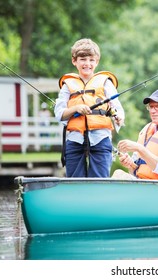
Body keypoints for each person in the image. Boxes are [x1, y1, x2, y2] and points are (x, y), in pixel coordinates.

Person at [54, 38, 125, 178]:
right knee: (75, 182)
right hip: (75, 139)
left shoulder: (105, 82)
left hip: (101, 138)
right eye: (83, 59)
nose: (87, 64)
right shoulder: (67, 85)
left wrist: (119, 117)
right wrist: (76, 108)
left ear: (97, 61)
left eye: (91, 60)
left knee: (99, 180)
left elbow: (118, 108)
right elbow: (59, 113)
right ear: (74, 61)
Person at [112, 88, 158, 180]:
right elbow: (135, 170)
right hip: (142, 184)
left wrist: (139, 148)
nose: (152, 111)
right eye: (151, 107)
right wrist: (130, 164)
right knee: (118, 174)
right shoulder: (147, 128)